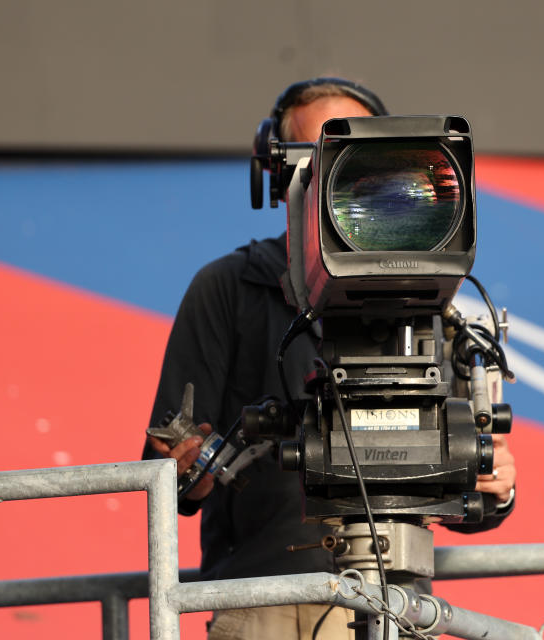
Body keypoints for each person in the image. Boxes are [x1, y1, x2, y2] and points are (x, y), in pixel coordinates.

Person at [143, 77, 516, 640]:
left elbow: (471, 493)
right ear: (278, 174)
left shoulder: (437, 307)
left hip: (401, 601)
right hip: (266, 600)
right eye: (320, 157)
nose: (340, 181)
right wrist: (187, 474)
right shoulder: (227, 287)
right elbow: (166, 470)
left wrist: (495, 485)